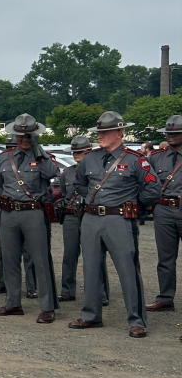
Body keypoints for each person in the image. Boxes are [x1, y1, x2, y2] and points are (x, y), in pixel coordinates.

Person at [68, 111, 161, 338]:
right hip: (91, 218)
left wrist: (134, 206)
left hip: (119, 220)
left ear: (120, 133)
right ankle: (91, 315)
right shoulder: (90, 158)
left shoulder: (134, 159)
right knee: (90, 268)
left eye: (106, 132)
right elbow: (79, 184)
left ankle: (137, 320)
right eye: (99, 132)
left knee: (128, 270)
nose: (101, 136)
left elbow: (152, 188)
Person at [0, 114, 60, 322]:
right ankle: (13, 303)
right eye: (20, 135)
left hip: (33, 213)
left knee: (40, 260)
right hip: (9, 213)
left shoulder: (42, 157)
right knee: (10, 259)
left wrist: (38, 150)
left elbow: (52, 173)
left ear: (35, 136)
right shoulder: (4, 157)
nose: (24, 139)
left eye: (28, 136)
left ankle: (48, 307)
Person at [57, 135, 109, 305]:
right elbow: (64, 194)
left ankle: (100, 293)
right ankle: (67, 291)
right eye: (74, 152)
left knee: (95, 256)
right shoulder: (68, 172)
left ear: (89, 151)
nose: (76, 155)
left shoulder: (99, 170)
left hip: (89, 214)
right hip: (72, 215)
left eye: (80, 152)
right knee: (69, 255)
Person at [0, 132, 38, 297]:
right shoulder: (3, 158)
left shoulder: (31, 157)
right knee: (3, 249)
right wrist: (6, 196)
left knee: (28, 250)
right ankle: (3, 282)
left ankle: (32, 286)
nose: (10, 149)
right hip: (5, 207)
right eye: (8, 146)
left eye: (12, 146)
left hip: (25, 208)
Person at [146, 114, 182, 313]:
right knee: (165, 257)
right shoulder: (156, 157)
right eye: (168, 133)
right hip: (163, 210)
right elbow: (148, 183)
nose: (171, 136)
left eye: (176, 133)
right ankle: (166, 297)